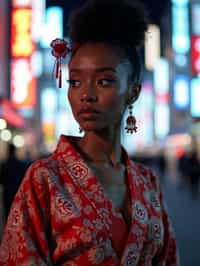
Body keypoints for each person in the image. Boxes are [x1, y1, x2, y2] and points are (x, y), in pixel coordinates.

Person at [0, 0, 179, 265]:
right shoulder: (44, 180)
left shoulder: (147, 182)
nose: (86, 94)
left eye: (104, 80)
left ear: (134, 91)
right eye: (75, 81)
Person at [0, 143, 28, 218]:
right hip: (17, 191)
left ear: (8, 151)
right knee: (17, 213)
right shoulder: (20, 164)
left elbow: (2, 179)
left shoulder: (4, 165)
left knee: (7, 212)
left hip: (7, 192)